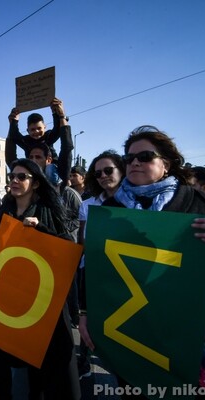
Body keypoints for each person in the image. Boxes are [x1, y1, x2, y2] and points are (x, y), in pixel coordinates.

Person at [79, 125, 205, 395]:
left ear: (166, 164)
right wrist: (86, 313)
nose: (135, 162)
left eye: (145, 156)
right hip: (133, 330)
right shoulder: (112, 211)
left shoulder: (196, 203)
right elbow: (96, 269)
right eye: (129, 158)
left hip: (186, 334)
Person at [0, 158, 80, 399]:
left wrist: (42, 229)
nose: (15, 181)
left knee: (36, 357)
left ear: (36, 183)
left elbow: (66, 248)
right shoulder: (5, 210)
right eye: (12, 176)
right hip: (6, 293)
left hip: (37, 297)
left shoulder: (48, 210)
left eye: (22, 177)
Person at [76, 150, 126, 379]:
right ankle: (84, 359)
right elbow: (84, 240)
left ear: (121, 169)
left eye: (109, 170)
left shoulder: (137, 201)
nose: (104, 176)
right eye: (98, 173)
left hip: (128, 273)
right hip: (94, 268)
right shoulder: (88, 204)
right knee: (88, 315)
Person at [5, 97, 73, 188]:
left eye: (39, 128)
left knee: (49, 169)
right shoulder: (26, 141)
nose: (36, 132)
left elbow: (58, 130)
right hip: (34, 172)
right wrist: (14, 122)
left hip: (52, 170)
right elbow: (14, 137)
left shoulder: (48, 136)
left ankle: (51, 188)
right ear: (27, 131)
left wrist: (56, 113)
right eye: (32, 129)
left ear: (44, 127)